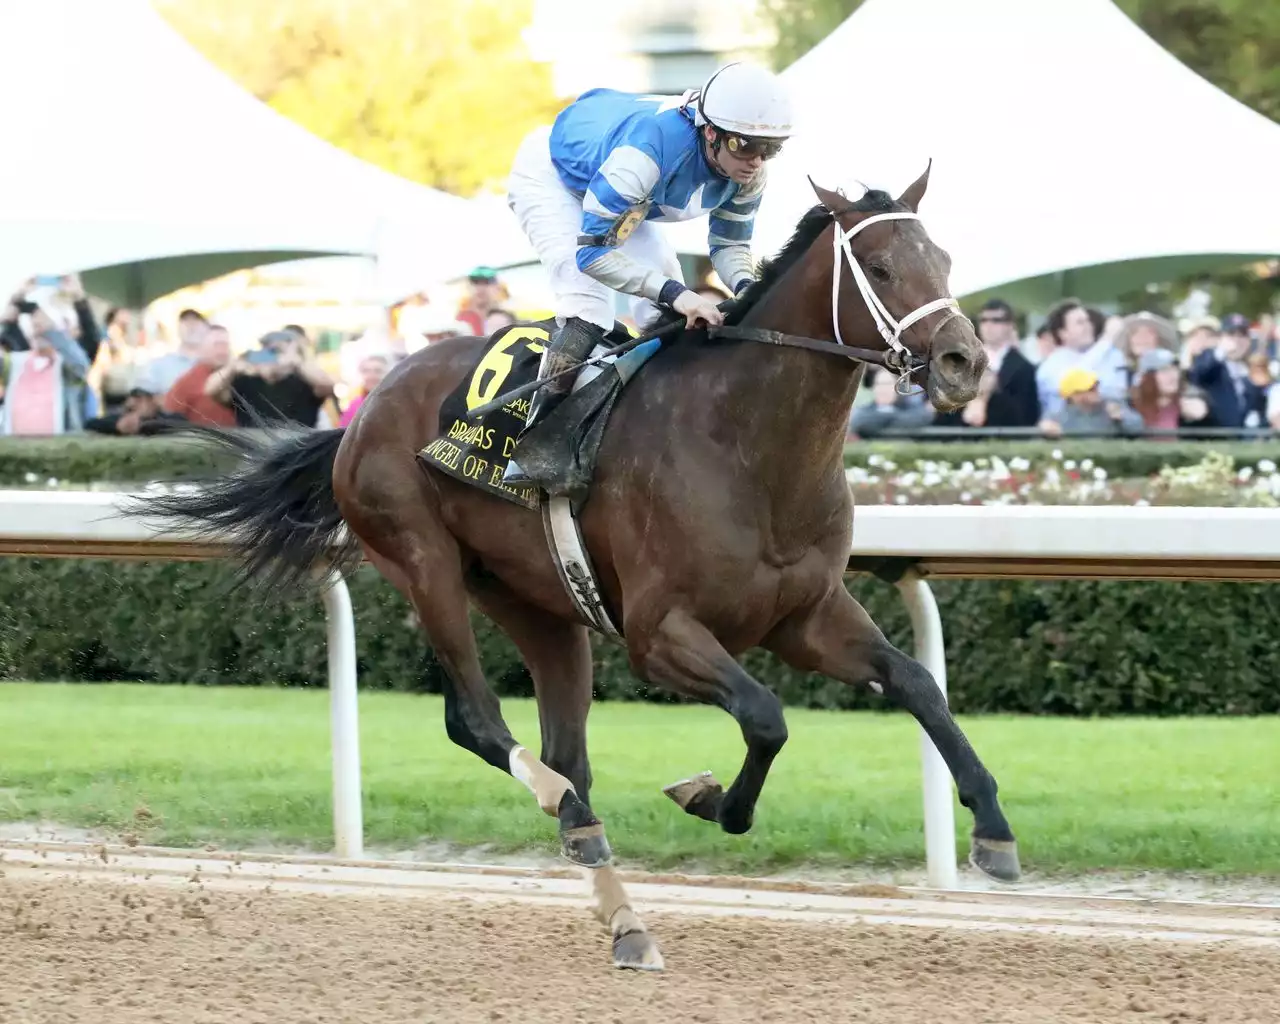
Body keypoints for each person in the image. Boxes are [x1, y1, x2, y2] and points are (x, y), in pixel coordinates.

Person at [501, 60, 793, 484]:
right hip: (555, 179)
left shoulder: (749, 171)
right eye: (744, 146)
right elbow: (592, 255)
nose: (756, 161)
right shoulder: (646, 156)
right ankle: (535, 446)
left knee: (666, 295)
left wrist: (751, 290)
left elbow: (729, 245)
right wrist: (679, 294)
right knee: (589, 306)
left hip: (629, 197)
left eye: (770, 148)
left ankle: (648, 419)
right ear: (710, 132)